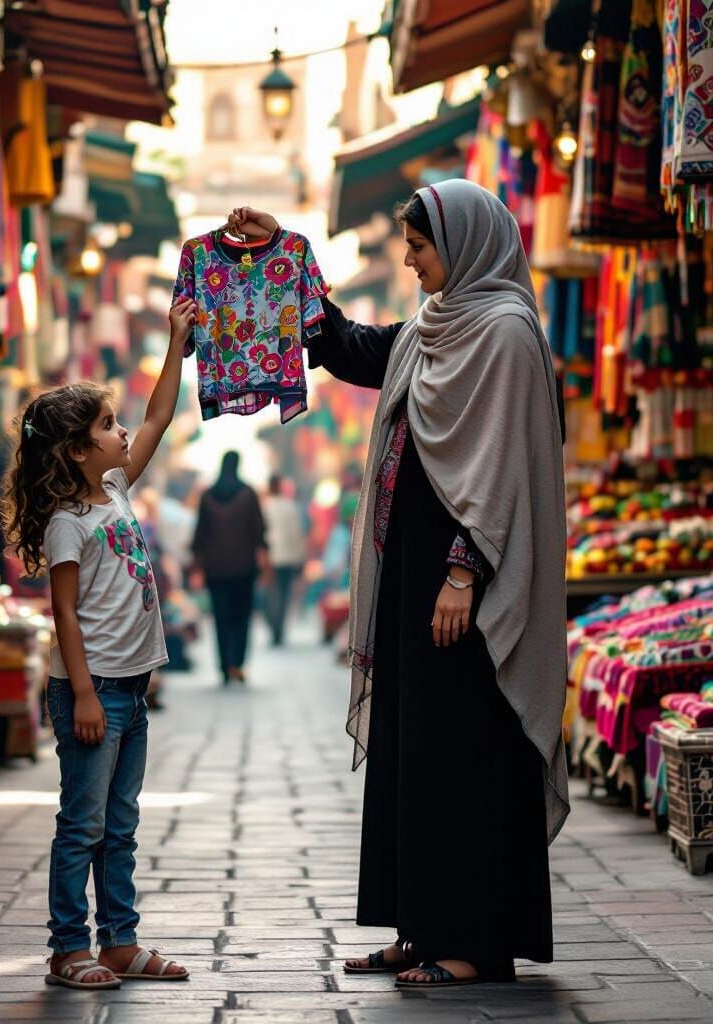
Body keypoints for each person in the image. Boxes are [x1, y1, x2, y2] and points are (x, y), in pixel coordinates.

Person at [225, 185, 569, 988]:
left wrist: (463, 571)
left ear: (467, 242)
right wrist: (284, 252)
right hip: (412, 572)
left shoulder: (507, 333)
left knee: (463, 757)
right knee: (415, 752)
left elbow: (502, 470)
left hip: (468, 585)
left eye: (421, 245)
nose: (410, 260)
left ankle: (474, 942)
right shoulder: (431, 329)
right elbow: (345, 345)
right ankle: (421, 926)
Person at [0, 298, 198, 990]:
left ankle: (119, 940)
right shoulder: (65, 523)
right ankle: (66, 948)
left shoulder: (112, 488)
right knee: (81, 825)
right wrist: (82, 692)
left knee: (121, 823)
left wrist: (178, 342)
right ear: (78, 451)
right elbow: (64, 612)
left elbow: (158, 417)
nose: (121, 434)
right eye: (106, 426)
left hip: (130, 689)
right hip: (93, 693)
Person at [192, 451, 269, 685]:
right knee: (241, 617)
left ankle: (225, 665)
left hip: (215, 570)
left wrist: (198, 566)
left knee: (221, 619)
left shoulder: (207, 497)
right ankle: (237, 663)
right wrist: (263, 559)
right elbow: (259, 531)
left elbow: (200, 536)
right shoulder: (248, 494)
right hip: (244, 568)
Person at [261, 474, 307, 645]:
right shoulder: (290, 506)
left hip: (271, 557)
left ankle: (275, 627)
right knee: (283, 594)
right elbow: (297, 534)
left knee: (272, 595)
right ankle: (278, 628)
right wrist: (299, 557)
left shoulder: (264, 506)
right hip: (287, 557)